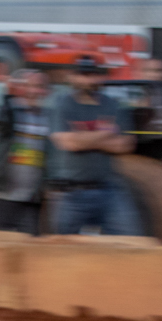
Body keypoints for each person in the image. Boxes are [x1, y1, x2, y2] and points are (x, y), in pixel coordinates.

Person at [45, 55, 143, 236]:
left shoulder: (113, 105)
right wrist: (105, 134)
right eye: (82, 74)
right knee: (61, 247)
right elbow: (68, 143)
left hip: (108, 188)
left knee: (130, 239)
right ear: (72, 77)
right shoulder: (62, 104)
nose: (88, 79)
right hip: (71, 192)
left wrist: (82, 137)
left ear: (101, 76)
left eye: (92, 74)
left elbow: (126, 145)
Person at [0, 69, 50, 234]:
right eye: (29, 86)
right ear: (20, 88)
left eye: (40, 87)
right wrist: (8, 92)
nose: (34, 91)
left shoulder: (48, 117)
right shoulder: (10, 111)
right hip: (0, 195)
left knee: (30, 251)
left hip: (30, 199)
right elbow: (1, 121)